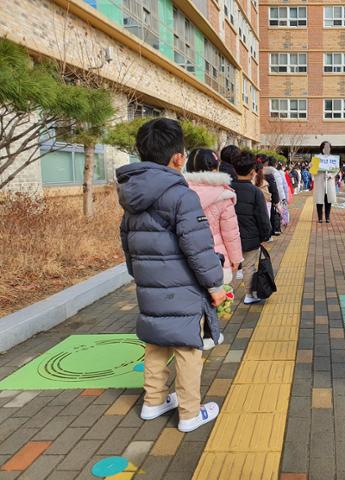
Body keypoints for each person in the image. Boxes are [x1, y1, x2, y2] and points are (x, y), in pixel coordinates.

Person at [116, 118, 226, 433]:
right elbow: (198, 248)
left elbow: (128, 244)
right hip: (183, 288)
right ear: (178, 158)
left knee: (155, 343)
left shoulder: (131, 197)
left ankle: (153, 402)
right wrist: (214, 284)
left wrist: (141, 277)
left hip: (150, 286)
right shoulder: (181, 195)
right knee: (188, 348)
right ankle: (190, 413)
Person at [184, 148, 243, 348]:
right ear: (216, 167)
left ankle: (193, 333)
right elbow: (230, 232)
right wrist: (235, 259)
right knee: (213, 298)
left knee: (193, 296)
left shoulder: (181, 192)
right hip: (216, 257)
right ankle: (210, 335)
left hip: (188, 256)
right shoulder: (223, 194)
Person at [230, 151, 273, 304]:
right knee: (249, 266)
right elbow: (262, 216)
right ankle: (249, 295)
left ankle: (226, 294)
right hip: (251, 236)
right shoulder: (255, 191)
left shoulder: (227, 189)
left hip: (230, 236)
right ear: (253, 172)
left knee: (230, 267)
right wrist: (265, 235)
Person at [314, 141, 338, 223]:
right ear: (322, 149)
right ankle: (320, 217)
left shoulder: (333, 158)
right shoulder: (317, 158)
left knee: (328, 200)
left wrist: (331, 175)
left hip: (329, 181)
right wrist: (314, 167)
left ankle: (327, 217)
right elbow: (313, 171)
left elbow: (336, 169)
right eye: (325, 148)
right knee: (319, 200)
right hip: (320, 181)